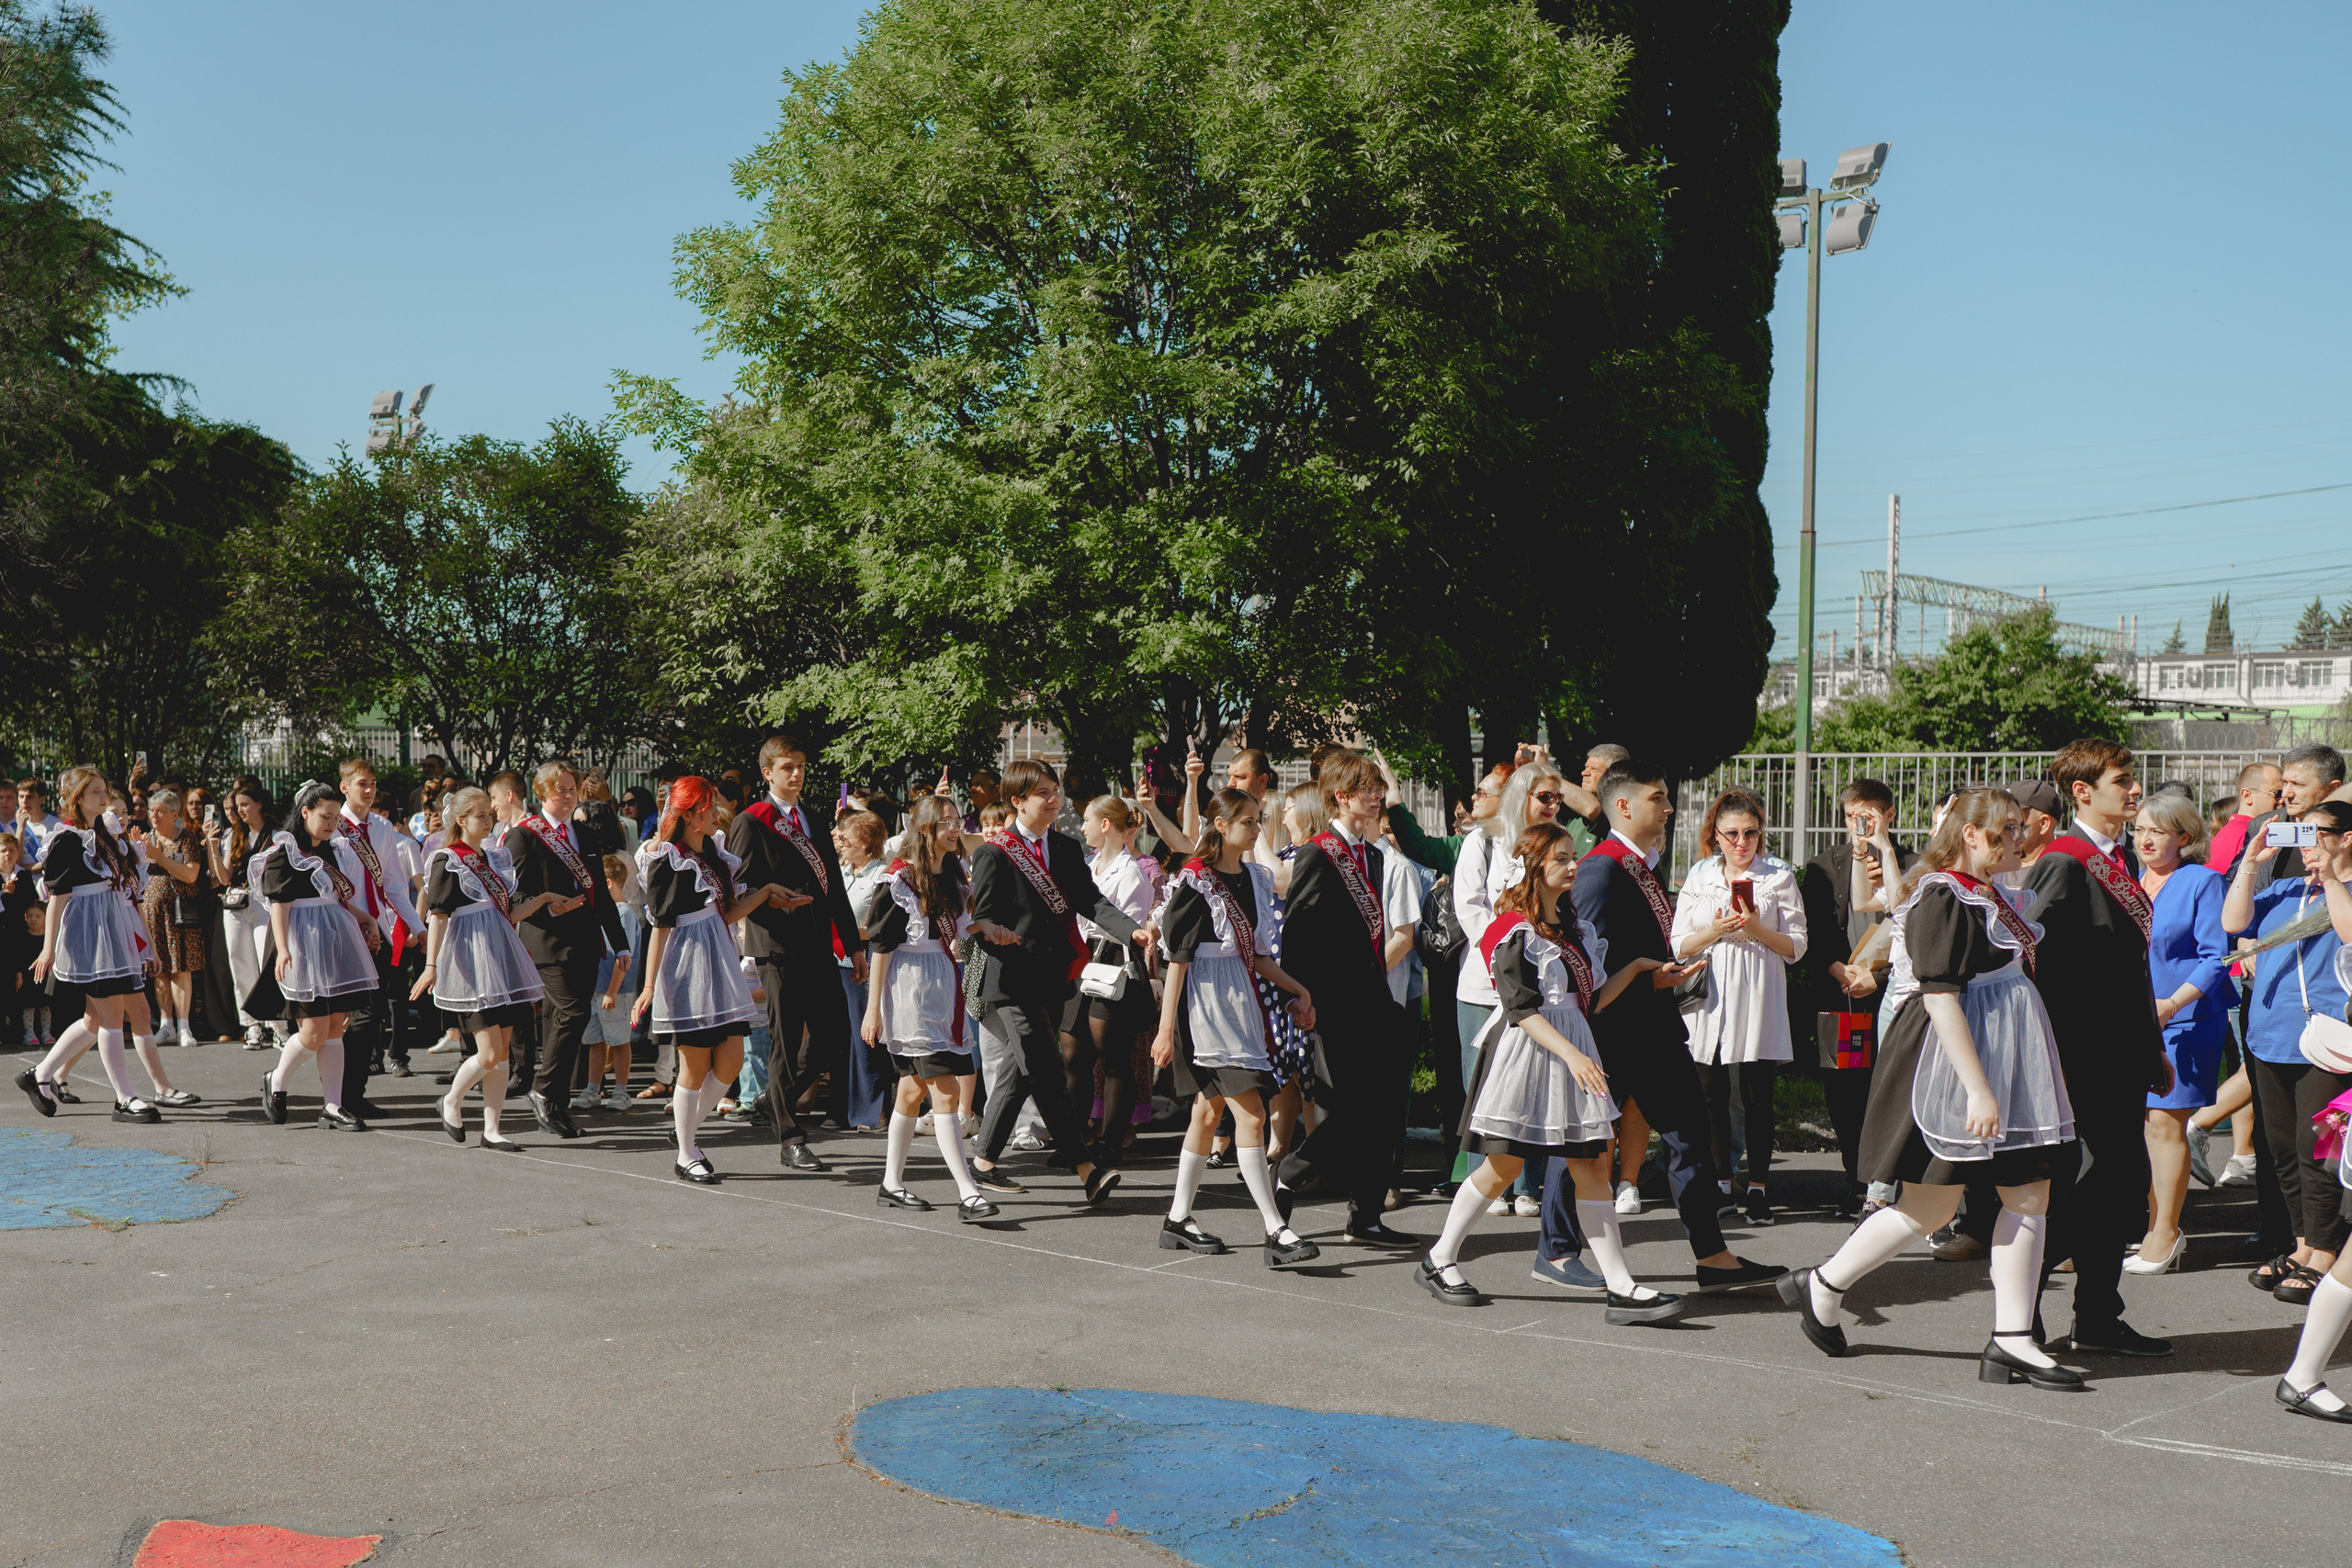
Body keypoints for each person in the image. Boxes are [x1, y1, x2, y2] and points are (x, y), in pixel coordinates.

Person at [1781, 787, 2083, 1390]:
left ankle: (2013, 1338)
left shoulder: (1988, 891)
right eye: (2008, 828)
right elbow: (1940, 997)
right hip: (1950, 1066)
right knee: (1930, 1206)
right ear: (1971, 834)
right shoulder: (1941, 894)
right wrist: (1978, 1089)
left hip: (2005, 1061)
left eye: (2021, 827)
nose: (2020, 838)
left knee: (2028, 1191)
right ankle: (1825, 1283)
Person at [1422, 820, 1685, 1320]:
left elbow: (1589, 1000)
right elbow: (1521, 1009)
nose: (1573, 865)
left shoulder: (1572, 928)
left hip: (1570, 1051)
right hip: (1525, 1054)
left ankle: (1621, 1287)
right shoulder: (1511, 928)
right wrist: (1574, 1055)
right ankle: (1439, 1258)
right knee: (1504, 1167)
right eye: (1561, 858)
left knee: (1592, 1167)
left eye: (1572, 856)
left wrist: (1641, 972)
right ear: (1533, 867)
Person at [1556, 760, 1784, 1293]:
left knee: (1689, 1137)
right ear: (1624, 806)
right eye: (1657, 798)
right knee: (1583, 1145)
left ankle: (1713, 1257)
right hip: (1614, 1034)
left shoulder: (1640, 864)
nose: (1669, 807)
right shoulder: (1602, 868)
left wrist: (1663, 973)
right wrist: (1648, 979)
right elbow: (1588, 965)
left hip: (1654, 1029)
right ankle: (1557, 1249)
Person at [2023, 739, 2175, 1357]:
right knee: (2079, 1185)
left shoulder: (2119, 860)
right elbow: (2028, 957)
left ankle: (2096, 1318)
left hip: (2121, 1054)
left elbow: (2131, 969)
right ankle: (2019, 1316)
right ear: (2083, 792)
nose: (2134, 789)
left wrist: (2150, 1045)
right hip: (2077, 1055)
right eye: (2122, 779)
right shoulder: (2064, 861)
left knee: (2120, 1185)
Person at [1150, 788, 1321, 1265]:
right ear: (1221, 825)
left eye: (1259, 819)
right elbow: (1178, 960)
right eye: (1248, 821)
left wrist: (1297, 990)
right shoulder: (1196, 880)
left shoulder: (1255, 878)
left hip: (1240, 1003)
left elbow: (1259, 957)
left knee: (1207, 1116)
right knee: (1252, 1117)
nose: (1257, 828)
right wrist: (1165, 1031)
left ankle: (1177, 1219)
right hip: (1205, 1010)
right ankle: (1275, 1228)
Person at [966, 759, 1143, 1206]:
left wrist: (1131, 932)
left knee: (1020, 1069)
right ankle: (1086, 1169)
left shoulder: (1064, 848)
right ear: (1017, 801)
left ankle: (982, 1161)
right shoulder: (994, 852)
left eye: (1054, 790)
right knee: (1046, 1070)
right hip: (1010, 981)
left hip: (1053, 978)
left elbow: (1091, 901)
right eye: (1042, 792)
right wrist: (995, 931)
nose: (1052, 799)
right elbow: (981, 917)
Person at [1277, 750, 1422, 1246]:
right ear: (1341, 796)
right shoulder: (1319, 852)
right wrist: (1301, 997)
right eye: (1368, 789)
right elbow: (1297, 933)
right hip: (1335, 1003)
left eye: (1378, 788)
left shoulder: (1374, 856)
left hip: (1375, 999)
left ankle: (1367, 1217)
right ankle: (1291, 1172)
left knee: (1383, 1110)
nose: (1377, 796)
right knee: (1351, 1108)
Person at [631, 775, 799, 1183]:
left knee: (731, 1060)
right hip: (686, 965)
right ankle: (686, 1152)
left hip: (719, 960)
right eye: (707, 807)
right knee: (694, 1065)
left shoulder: (713, 851)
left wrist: (766, 892)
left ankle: (686, 1133)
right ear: (689, 814)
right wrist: (649, 986)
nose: (715, 813)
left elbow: (725, 914)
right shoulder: (669, 857)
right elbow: (660, 927)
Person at [2222, 796, 2352, 1306]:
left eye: (2317, 833)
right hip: (2269, 1037)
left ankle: (2325, 1251)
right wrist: (2250, 862)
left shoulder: (2343, 891)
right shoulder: (2284, 890)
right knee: (2281, 1149)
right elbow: (2234, 923)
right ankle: (2302, 1245)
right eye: (2300, 833)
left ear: (2346, 839)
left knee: (2315, 1148)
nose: (2306, 844)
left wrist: (2332, 879)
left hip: (2327, 1042)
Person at [862, 795, 1007, 1218]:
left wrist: (988, 928)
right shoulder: (898, 879)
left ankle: (891, 1184)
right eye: (946, 822)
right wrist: (873, 1009)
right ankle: (968, 1192)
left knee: (911, 1091)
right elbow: (882, 948)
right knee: (947, 1091)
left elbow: (960, 929)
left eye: (957, 820)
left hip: (944, 986)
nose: (955, 828)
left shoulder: (954, 874)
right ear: (925, 828)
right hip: (910, 991)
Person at [1673, 787, 1806, 1227]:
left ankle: (1759, 1189)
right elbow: (1679, 943)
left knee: (1756, 1096)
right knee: (1710, 1094)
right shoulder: (1700, 877)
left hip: (1758, 992)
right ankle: (1721, 1182)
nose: (1741, 842)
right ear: (1716, 834)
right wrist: (1715, 930)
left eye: (1750, 833)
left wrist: (1756, 928)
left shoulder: (1778, 877)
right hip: (1710, 995)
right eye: (1731, 833)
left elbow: (1798, 946)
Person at [727, 736, 861, 1170]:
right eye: (788, 766)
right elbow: (740, 890)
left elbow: (834, 888)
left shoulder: (814, 818)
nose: (797, 773)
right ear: (768, 773)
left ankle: (774, 1098)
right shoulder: (751, 821)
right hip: (777, 944)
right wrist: (773, 899)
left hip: (818, 942)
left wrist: (853, 946)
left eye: (801, 765)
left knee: (834, 1035)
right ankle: (791, 1138)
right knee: (785, 1042)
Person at [412, 786, 567, 1149]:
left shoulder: (494, 858)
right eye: (479, 815)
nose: (488, 820)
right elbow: (438, 916)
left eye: (489, 814)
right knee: (489, 1052)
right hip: (470, 962)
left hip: (500, 958)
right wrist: (431, 965)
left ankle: (492, 1129)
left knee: (503, 1053)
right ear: (461, 820)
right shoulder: (448, 859)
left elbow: (508, 913)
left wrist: (544, 900)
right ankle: (451, 1100)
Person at [1792, 779, 1916, 1219]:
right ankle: (1856, 1182)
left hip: (1891, 995)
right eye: (1851, 816)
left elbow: (1912, 936)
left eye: (1868, 816)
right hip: (1841, 995)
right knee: (1843, 1093)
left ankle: (1892, 1184)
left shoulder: (1911, 864)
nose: (1858, 824)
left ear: (1889, 815)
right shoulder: (1824, 865)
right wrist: (1837, 970)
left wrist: (1876, 979)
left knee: (1892, 1088)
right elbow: (1813, 931)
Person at [15, 766, 164, 1122]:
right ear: (78, 798)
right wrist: (48, 948)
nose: (103, 795)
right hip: (89, 932)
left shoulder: (105, 832)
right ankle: (124, 1098)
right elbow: (57, 899)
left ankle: (39, 1074)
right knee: (109, 1016)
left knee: (95, 1019)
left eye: (103, 789)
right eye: (96, 791)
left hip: (111, 928)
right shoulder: (67, 839)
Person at [2125, 789, 2234, 1274]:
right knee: (2146, 1127)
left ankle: (2165, 1232)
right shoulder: (2130, 881)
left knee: (2166, 1124)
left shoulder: (2201, 881)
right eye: (2139, 829)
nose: (2145, 839)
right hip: (2133, 1021)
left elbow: (2217, 956)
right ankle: (2155, 1228)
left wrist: (2172, 1004)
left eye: (2157, 831)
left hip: (2187, 1019)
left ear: (2184, 837)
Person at [245, 780, 382, 1132]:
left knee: (336, 1024)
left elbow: (333, 898)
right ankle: (276, 1079)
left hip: (332, 938)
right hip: (300, 942)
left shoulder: (329, 850)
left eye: (336, 817)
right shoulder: (285, 850)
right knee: (313, 1030)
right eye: (325, 816)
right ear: (305, 812)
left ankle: (332, 1106)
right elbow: (280, 905)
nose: (332, 823)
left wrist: (365, 918)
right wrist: (283, 949)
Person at [509, 761, 631, 1141]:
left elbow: (601, 895)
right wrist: (548, 907)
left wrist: (620, 942)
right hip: (547, 940)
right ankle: (544, 1089)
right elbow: (514, 896)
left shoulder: (584, 834)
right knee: (573, 1012)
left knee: (571, 1020)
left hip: (585, 939)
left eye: (572, 788)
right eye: (559, 789)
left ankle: (554, 1102)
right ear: (542, 792)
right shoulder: (523, 835)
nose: (567, 795)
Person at [1071, 794, 1159, 1151]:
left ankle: (1111, 1141)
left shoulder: (1132, 873)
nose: (1082, 827)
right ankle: (1076, 1139)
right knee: (1073, 1056)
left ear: (1105, 825)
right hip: (1079, 964)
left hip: (1111, 968)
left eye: (1087, 820)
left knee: (1112, 1060)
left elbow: (1128, 928)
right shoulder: (1086, 864)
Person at [335, 758, 425, 1110]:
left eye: (373, 783)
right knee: (345, 1019)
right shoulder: (334, 825)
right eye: (362, 784)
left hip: (379, 933)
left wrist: (418, 927)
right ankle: (338, 1095)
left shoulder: (384, 828)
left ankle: (352, 1095)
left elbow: (394, 886)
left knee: (371, 1015)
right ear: (344, 787)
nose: (370, 790)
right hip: (345, 931)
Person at [204, 778, 278, 1051]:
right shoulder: (234, 835)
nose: (239, 811)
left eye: (245, 805)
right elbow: (224, 878)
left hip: (264, 905)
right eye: (237, 806)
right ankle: (252, 1025)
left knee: (266, 962)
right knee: (240, 965)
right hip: (235, 905)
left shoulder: (276, 834)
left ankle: (278, 1025)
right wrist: (213, 847)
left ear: (259, 804)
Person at [835, 810, 894, 1131]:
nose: (841, 842)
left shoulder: (881, 875)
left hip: (866, 963)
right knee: (841, 1038)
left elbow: (884, 928)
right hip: (836, 961)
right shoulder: (843, 873)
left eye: (847, 837)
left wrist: (846, 932)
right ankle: (844, 1109)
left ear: (867, 841)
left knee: (867, 1038)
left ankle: (875, 1110)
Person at [135, 789, 208, 1047]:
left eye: (160, 811)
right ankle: (166, 1025)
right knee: (159, 968)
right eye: (152, 811)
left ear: (175, 814)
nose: (153, 816)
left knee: (181, 967)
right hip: (153, 911)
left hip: (180, 912)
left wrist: (160, 858)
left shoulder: (186, 838)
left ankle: (184, 1026)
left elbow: (190, 875)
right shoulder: (147, 839)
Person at [572, 853, 639, 1112]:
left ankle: (621, 1091)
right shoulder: (600, 913)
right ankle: (593, 1087)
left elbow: (623, 957)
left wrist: (611, 990)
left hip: (616, 991)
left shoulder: (625, 914)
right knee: (595, 1040)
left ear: (607, 883)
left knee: (619, 1040)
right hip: (596, 988)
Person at [2209, 762, 2281, 879]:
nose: (2283, 800)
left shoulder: (2229, 831)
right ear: (2247, 795)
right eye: (2278, 794)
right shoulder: (2252, 835)